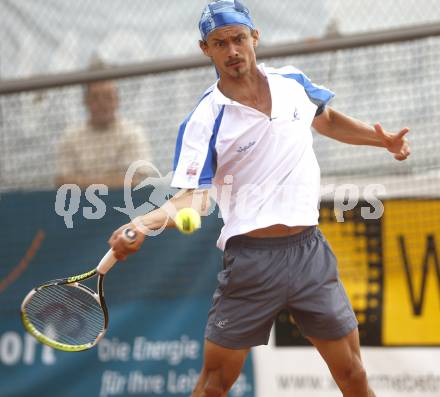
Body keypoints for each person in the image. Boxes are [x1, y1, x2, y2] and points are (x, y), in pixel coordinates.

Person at [109, 1, 410, 396]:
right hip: (251, 262)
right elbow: (194, 199)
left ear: (255, 37)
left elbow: (327, 120)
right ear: (206, 49)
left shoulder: (292, 83)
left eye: (238, 39)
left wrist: (380, 140)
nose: (232, 51)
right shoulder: (203, 119)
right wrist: (141, 223)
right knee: (215, 384)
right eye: (220, 43)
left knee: (353, 374)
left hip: (310, 254)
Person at [55, 71, 153, 188]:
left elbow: (137, 180)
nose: (102, 103)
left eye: (107, 97)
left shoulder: (132, 134)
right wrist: (115, 181)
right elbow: (62, 181)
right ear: (86, 101)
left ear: (117, 100)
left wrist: (83, 183)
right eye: (95, 97)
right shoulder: (71, 138)